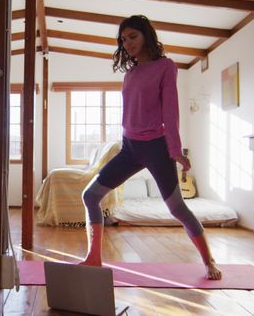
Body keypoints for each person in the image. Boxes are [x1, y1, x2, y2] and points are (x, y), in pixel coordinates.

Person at [79, 15, 222, 280]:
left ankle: (209, 260)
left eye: (133, 36)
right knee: (90, 195)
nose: (128, 43)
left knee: (177, 208)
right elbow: (128, 113)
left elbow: (171, 110)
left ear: (146, 35)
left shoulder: (166, 66)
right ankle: (93, 258)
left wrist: (175, 149)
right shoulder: (130, 74)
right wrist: (124, 144)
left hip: (156, 146)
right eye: (123, 39)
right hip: (130, 147)